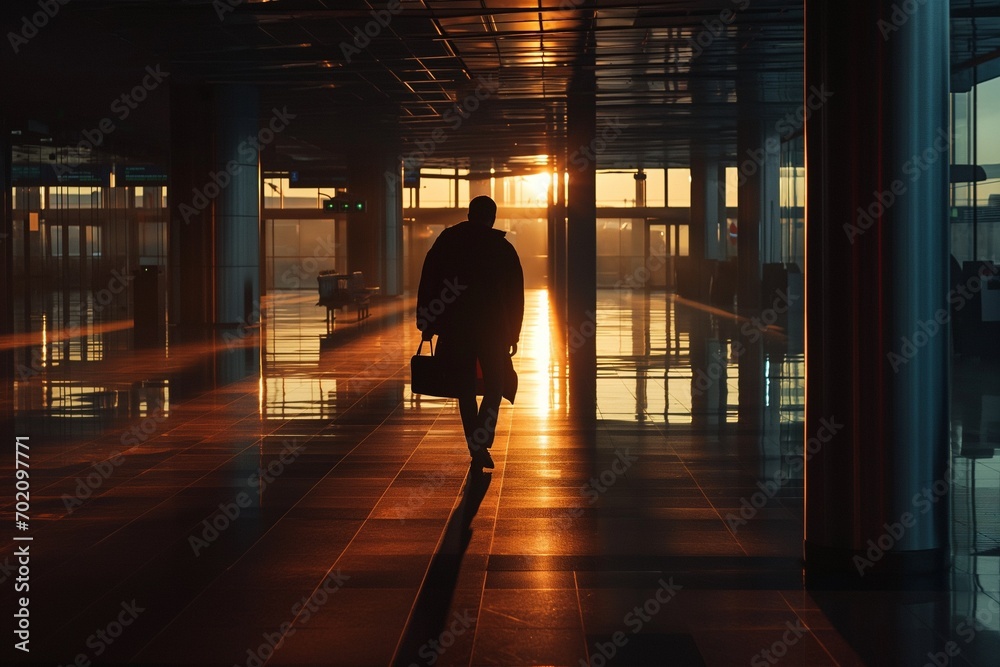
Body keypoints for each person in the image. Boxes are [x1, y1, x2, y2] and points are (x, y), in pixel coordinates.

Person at [416, 196, 524, 470]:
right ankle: (482, 437)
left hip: (456, 328)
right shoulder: (501, 248)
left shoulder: (448, 243)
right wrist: (513, 332)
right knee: (495, 384)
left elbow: (428, 280)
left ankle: (475, 444)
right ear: (493, 217)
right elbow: (515, 295)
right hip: (493, 329)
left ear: (468, 214)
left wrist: (427, 322)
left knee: (464, 386)